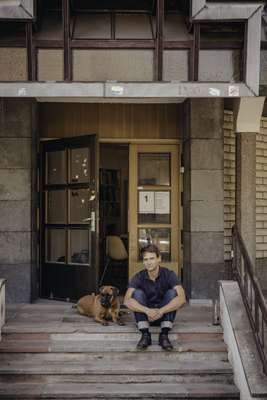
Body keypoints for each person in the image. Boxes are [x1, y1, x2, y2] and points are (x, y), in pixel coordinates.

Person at [124, 244, 186, 351]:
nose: (148, 262)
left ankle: (164, 335)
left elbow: (182, 298)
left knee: (173, 293)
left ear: (159, 259)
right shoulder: (138, 276)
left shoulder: (169, 274)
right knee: (137, 294)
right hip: (145, 317)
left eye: (152, 258)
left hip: (164, 315)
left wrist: (161, 311)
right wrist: (147, 311)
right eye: (145, 259)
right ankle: (145, 335)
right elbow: (126, 300)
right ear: (143, 262)